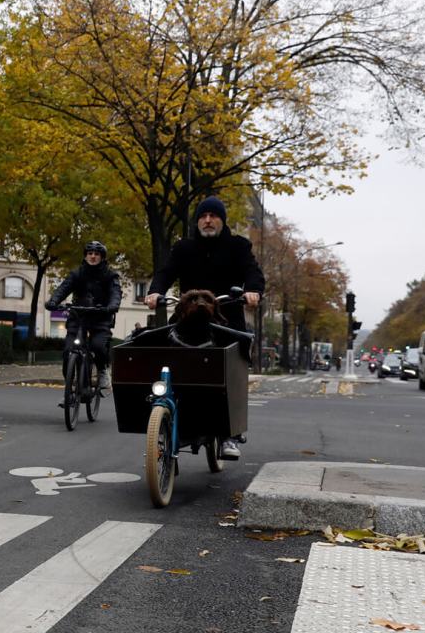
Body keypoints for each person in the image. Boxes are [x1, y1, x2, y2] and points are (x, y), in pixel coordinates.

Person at [143, 195, 265, 459]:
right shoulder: (183, 247)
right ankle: (163, 404)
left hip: (226, 318)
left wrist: (253, 290)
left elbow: (252, 271)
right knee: (158, 344)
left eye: (213, 216)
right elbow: (166, 272)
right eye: (203, 216)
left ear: (222, 220)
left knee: (235, 358)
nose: (207, 220)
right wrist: (155, 291)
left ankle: (231, 435)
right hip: (188, 317)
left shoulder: (238, 246)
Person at [44, 240, 122, 393]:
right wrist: (53, 301)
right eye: (90, 253)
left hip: (100, 318)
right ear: (85, 256)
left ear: (102, 257)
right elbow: (63, 288)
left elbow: (115, 293)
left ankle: (102, 370)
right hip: (78, 318)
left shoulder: (109, 275)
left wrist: (112, 306)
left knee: (98, 346)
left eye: (97, 254)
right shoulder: (77, 273)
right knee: (68, 352)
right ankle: (69, 389)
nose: (93, 257)